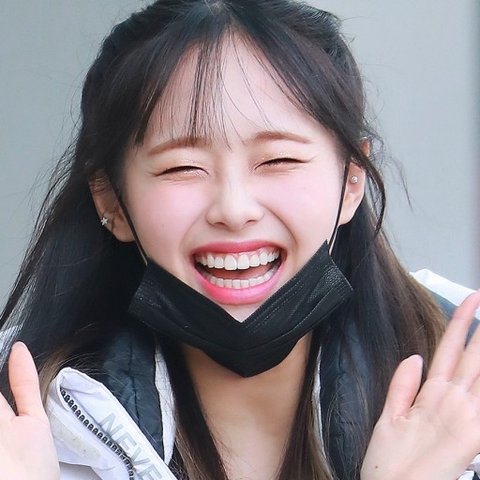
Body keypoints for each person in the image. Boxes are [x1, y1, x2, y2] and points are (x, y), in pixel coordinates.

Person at [0, 1, 479, 479]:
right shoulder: (25, 434)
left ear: (352, 180)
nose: (233, 209)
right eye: (182, 167)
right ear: (111, 200)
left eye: (278, 160)